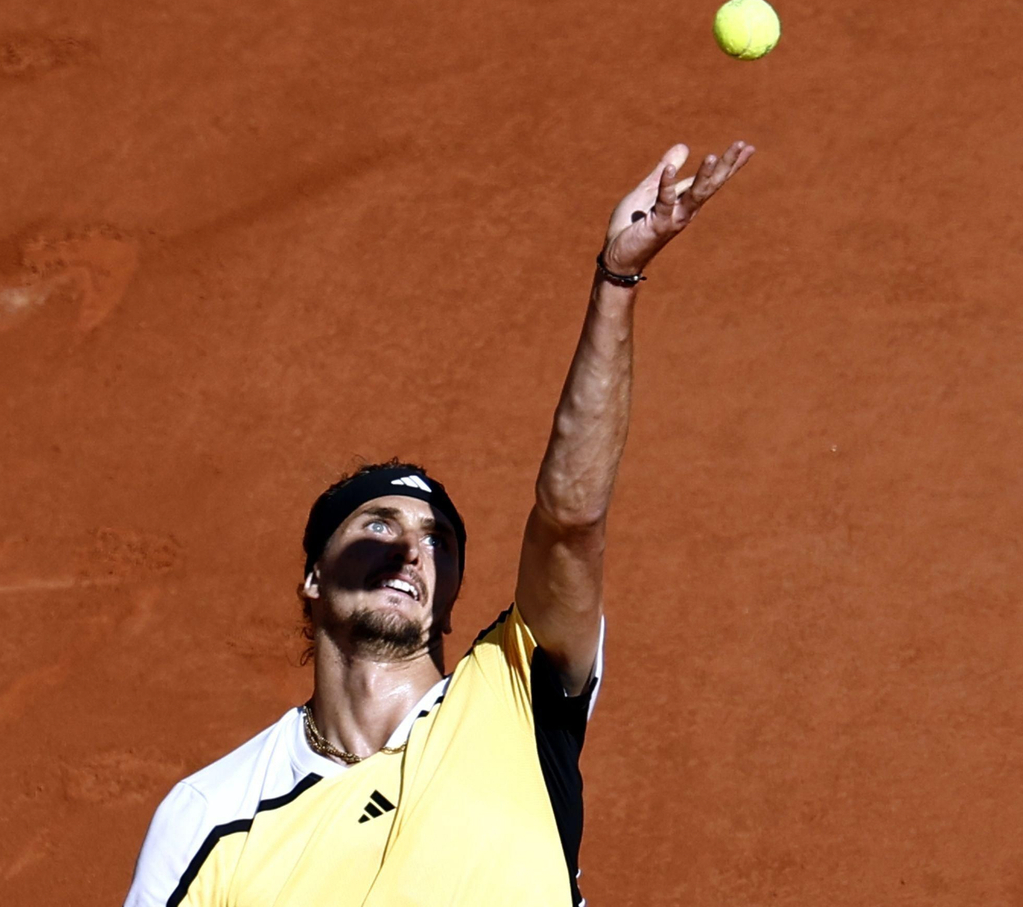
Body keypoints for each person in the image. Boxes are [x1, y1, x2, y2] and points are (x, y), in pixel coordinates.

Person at [123, 139, 756, 907]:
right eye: (377, 525)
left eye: (436, 541)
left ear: (450, 592)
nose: (409, 551)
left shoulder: (511, 693)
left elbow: (571, 519)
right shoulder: (209, 818)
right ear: (314, 573)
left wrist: (616, 281)